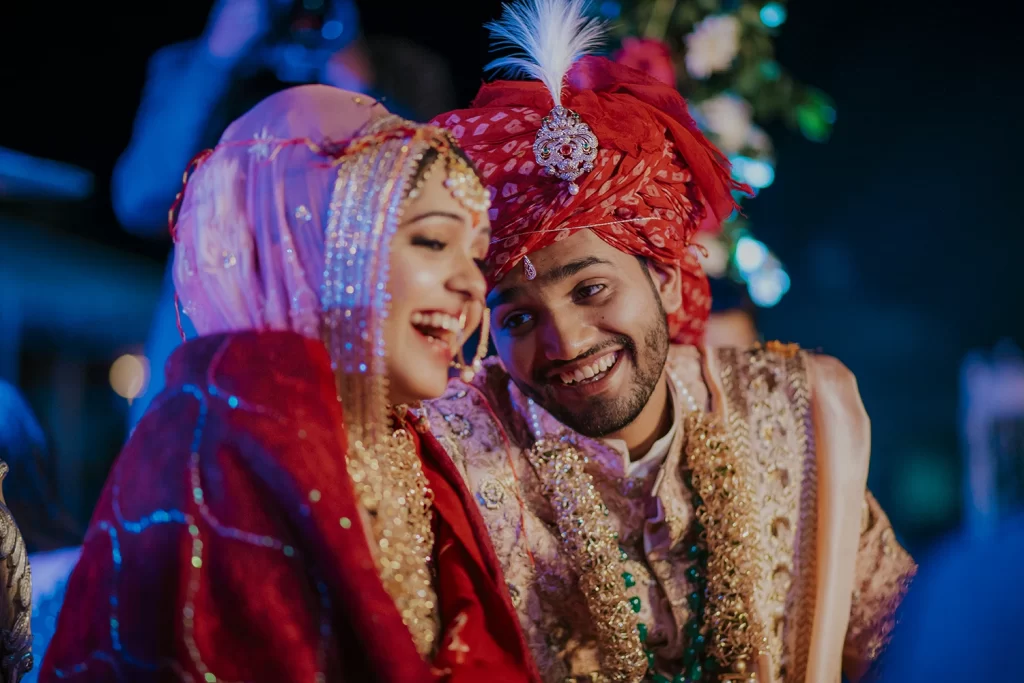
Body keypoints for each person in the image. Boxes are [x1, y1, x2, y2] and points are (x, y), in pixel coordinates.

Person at [422, 1, 916, 681]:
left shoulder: (795, 416)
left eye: (590, 289)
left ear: (667, 279)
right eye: (518, 319)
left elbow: (905, 644)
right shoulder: (452, 457)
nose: (564, 340)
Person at [39, 85, 538, 683]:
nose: (472, 286)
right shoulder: (218, 444)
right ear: (308, 246)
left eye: (476, 255)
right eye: (432, 241)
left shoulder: (420, 454)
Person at [114, 0, 457, 428]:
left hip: (361, 317)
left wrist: (356, 84)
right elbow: (141, 200)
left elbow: (443, 193)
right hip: (210, 319)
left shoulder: (403, 69)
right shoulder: (194, 66)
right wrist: (216, 60)